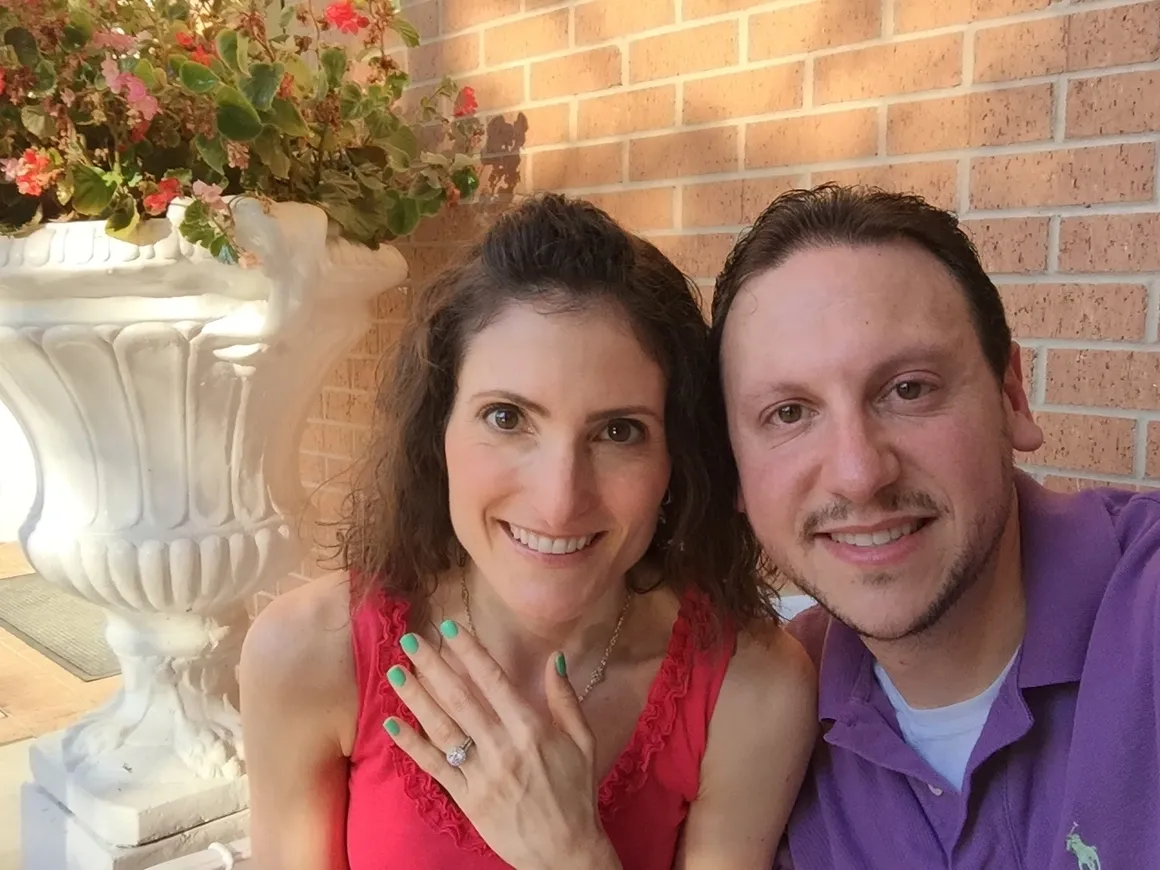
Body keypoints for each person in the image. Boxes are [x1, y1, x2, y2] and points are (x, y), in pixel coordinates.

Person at [238, 193, 817, 870]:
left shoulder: (752, 690)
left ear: (676, 462)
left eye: (619, 431)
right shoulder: (311, 655)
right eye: (508, 418)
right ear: (439, 434)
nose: (558, 500)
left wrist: (572, 855)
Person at [709, 182, 1160, 870]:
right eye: (790, 414)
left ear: (1011, 395)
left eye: (909, 389)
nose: (859, 473)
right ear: (734, 472)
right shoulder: (763, 719)